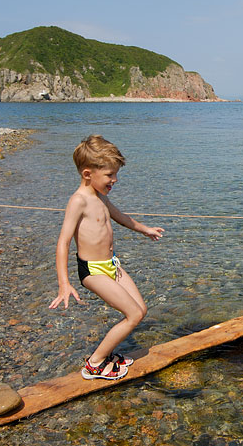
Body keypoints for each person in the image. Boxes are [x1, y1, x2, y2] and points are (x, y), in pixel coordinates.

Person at [50, 135, 164, 380]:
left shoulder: (100, 196)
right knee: (132, 315)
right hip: (92, 271)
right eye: (110, 175)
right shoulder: (78, 201)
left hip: (112, 266)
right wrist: (64, 283)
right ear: (88, 174)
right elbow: (63, 242)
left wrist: (145, 229)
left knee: (140, 310)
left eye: (115, 174)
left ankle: (108, 354)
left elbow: (120, 217)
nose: (115, 180)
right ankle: (95, 363)